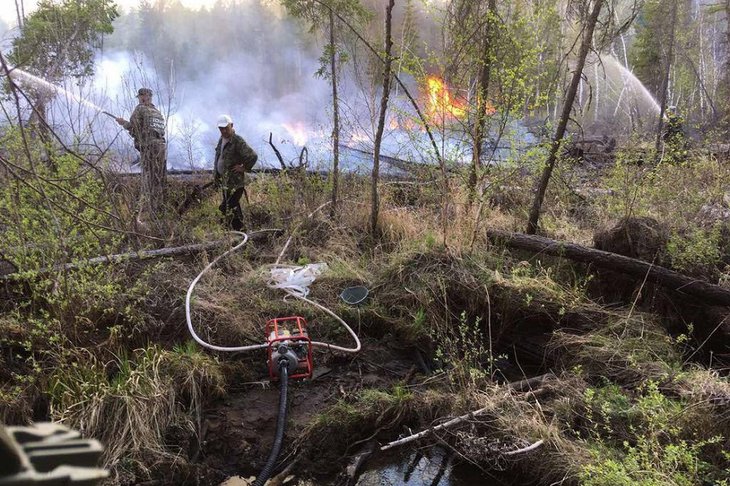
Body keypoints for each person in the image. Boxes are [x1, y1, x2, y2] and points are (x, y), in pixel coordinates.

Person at [116, 88, 167, 223]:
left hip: (149, 148)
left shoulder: (140, 109)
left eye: (140, 96)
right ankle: (160, 210)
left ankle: (147, 213)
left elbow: (134, 128)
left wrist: (123, 123)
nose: (139, 99)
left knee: (148, 179)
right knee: (159, 179)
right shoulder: (157, 112)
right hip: (161, 147)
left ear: (145, 96)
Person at [213, 114, 258, 231]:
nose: (223, 131)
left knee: (225, 207)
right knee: (233, 208)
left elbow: (252, 156)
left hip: (235, 183)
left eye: (225, 128)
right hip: (225, 181)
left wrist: (244, 168)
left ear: (231, 125)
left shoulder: (237, 140)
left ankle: (226, 230)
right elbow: (219, 157)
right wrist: (216, 176)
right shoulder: (221, 139)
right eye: (220, 129)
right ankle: (239, 233)